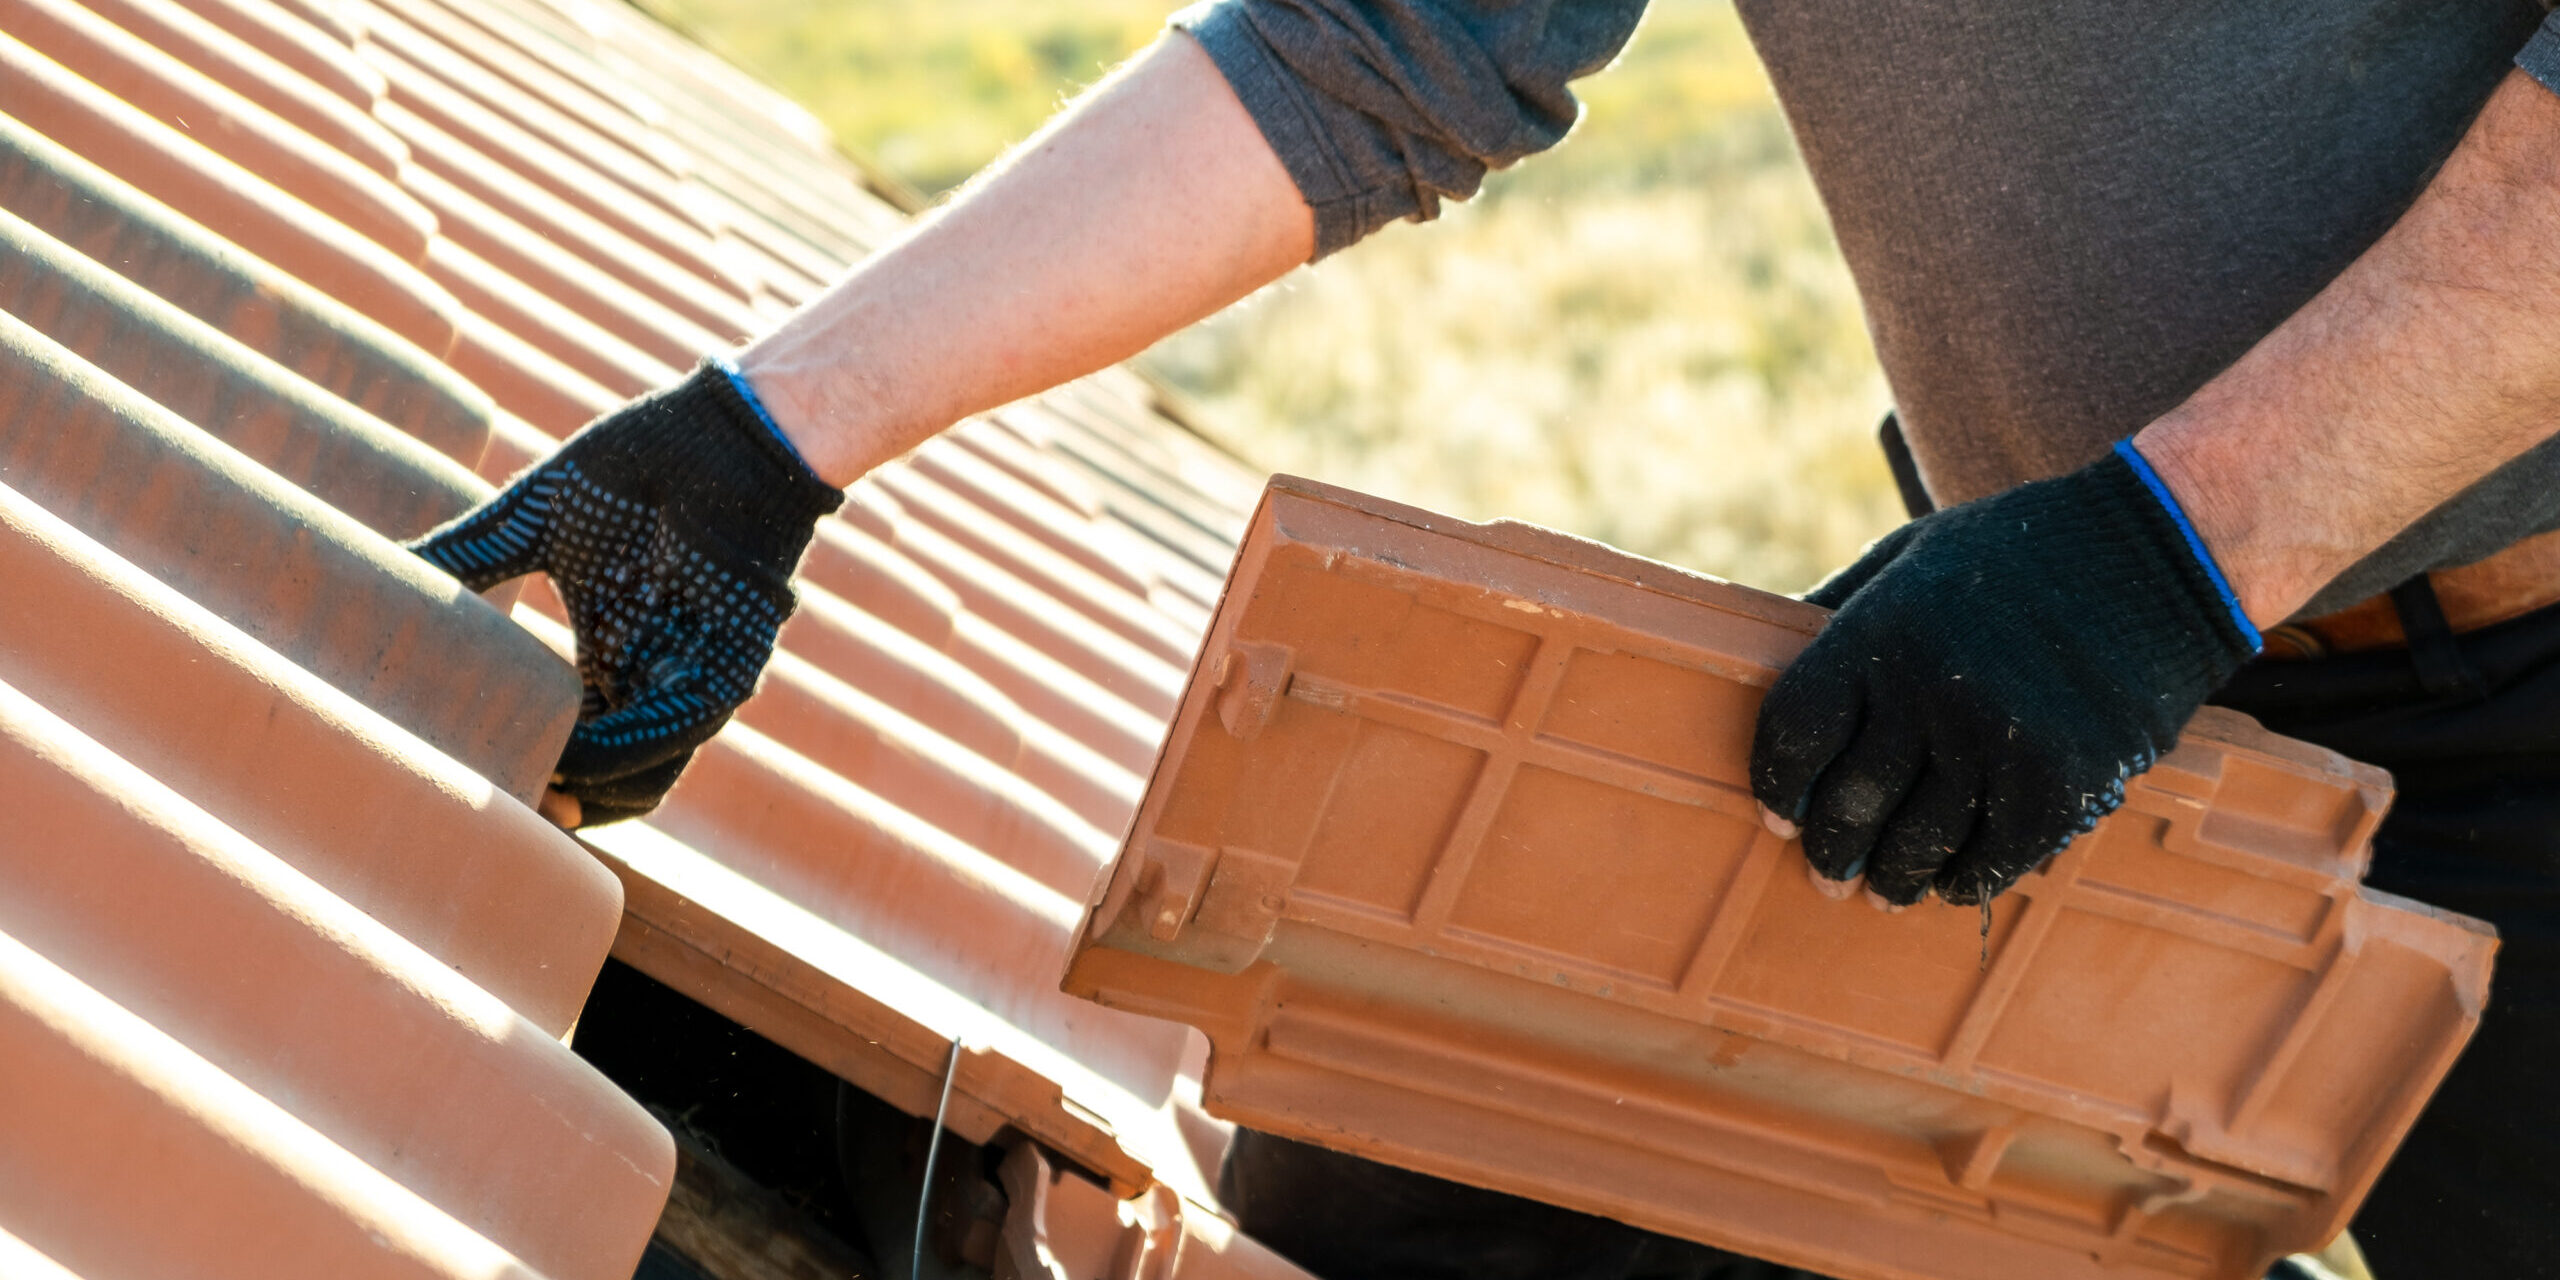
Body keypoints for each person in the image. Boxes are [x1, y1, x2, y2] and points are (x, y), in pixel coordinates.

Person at [408, 2, 2560, 1274]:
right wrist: (765, 444)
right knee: (1438, 1209)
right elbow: (1392, 37)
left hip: (2396, 645)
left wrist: (2177, 541)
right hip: (2080, 654)